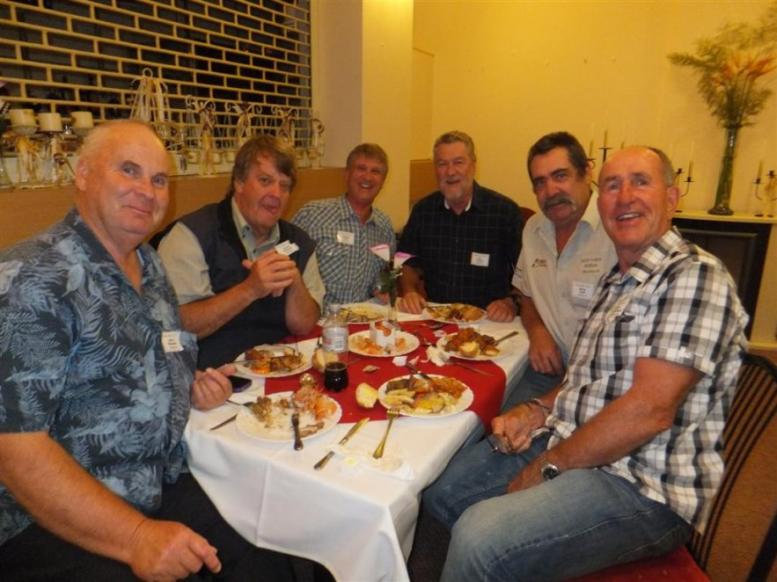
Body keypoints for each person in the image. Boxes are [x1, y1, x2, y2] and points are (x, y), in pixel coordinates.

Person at [422, 146, 748, 580]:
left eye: (640, 182)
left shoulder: (694, 276)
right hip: (575, 437)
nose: (624, 196)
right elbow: (584, 380)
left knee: (478, 537)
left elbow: (649, 411)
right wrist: (536, 410)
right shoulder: (618, 280)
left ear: (672, 197)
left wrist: (548, 466)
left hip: (641, 484)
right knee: (443, 493)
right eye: (612, 186)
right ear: (600, 198)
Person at [0, 120, 293, 580]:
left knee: (274, 552)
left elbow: (154, 359)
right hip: (51, 517)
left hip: (157, 479)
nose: (146, 191)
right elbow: (16, 449)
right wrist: (136, 536)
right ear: (82, 174)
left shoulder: (150, 266)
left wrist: (188, 385)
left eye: (158, 179)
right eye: (129, 170)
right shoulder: (34, 279)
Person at [157, 135, 324, 368]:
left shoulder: (299, 242)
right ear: (239, 182)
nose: (276, 194)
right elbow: (179, 325)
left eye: (284, 186)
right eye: (265, 180)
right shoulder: (191, 235)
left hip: (281, 374)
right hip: (213, 379)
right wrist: (251, 289)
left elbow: (304, 326)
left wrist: (294, 279)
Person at [506, 131, 617, 407]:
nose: (551, 191)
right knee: (493, 416)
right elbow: (525, 294)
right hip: (550, 368)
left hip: (602, 379)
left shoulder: (617, 228)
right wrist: (537, 331)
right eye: (540, 182)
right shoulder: (533, 229)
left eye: (560, 176)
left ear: (587, 172)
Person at [397, 130, 523, 322]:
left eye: (458, 162)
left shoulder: (504, 213)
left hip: (490, 322)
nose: (450, 172)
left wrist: (511, 302)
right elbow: (406, 261)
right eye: (442, 164)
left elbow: (526, 273)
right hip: (437, 320)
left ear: (473, 165)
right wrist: (409, 291)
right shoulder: (423, 211)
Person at [292, 143, 395, 309]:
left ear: (383, 181)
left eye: (376, 171)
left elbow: (383, 278)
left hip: (363, 319)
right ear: (346, 174)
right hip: (318, 318)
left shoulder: (384, 228)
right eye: (361, 168)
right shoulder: (312, 215)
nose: (367, 177)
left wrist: (381, 288)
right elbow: (285, 263)